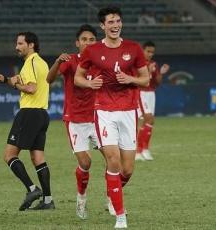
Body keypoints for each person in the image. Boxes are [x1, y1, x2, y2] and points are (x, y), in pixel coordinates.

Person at [74, 6, 149, 229]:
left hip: (128, 111)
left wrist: (129, 78)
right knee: (113, 160)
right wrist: (89, 83)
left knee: (127, 170)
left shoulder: (134, 48)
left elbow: (145, 79)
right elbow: (78, 77)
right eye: (111, 22)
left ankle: (112, 189)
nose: (115, 25)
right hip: (104, 111)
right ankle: (120, 216)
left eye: (118, 21)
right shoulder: (92, 51)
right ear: (103, 26)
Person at [0, 31, 54, 211]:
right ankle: (48, 200)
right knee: (38, 158)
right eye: (17, 44)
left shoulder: (31, 62)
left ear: (31, 45)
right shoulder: (41, 63)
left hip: (29, 113)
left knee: (9, 155)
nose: (17, 47)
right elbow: (21, 83)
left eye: (20, 43)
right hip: (42, 114)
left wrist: (17, 84)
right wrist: (6, 80)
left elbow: (31, 88)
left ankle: (32, 189)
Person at [46, 24, 99, 220]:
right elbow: (49, 79)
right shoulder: (71, 61)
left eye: (91, 39)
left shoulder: (101, 61)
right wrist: (56, 62)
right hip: (75, 119)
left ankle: (113, 201)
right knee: (85, 162)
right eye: (84, 39)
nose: (88, 42)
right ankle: (81, 199)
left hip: (98, 118)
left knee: (114, 159)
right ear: (77, 43)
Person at [136, 41, 170, 161]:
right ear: (143, 50)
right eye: (148, 51)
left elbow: (157, 82)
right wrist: (148, 70)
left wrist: (160, 73)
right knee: (148, 118)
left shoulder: (153, 64)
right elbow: (138, 79)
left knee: (150, 121)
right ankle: (138, 151)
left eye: (152, 52)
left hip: (151, 94)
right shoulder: (138, 63)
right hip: (141, 93)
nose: (150, 54)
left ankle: (145, 149)